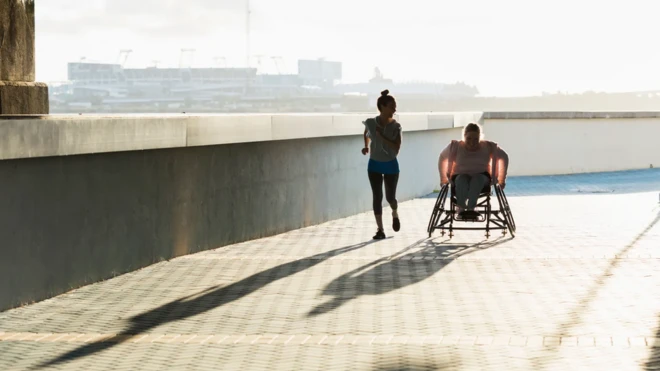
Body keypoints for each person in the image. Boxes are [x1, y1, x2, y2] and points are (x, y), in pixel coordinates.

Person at [438, 122, 509, 220]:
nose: (472, 142)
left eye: (476, 139)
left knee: (477, 179)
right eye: (469, 138)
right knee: (461, 179)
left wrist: (501, 179)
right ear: (464, 136)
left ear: (480, 137)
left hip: (482, 176)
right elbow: (442, 157)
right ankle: (461, 208)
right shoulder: (455, 146)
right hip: (460, 175)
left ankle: (472, 208)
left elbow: (504, 157)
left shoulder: (487, 147)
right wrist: (443, 179)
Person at [361, 89, 402, 239]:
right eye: (392, 106)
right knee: (377, 196)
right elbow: (366, 132)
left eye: (395, 106)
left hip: (391, 165)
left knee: (390, 198)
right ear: (382, 107)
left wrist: (382, 137)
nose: (394, 109)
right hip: (374, 165)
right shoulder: (371, 122)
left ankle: (395, 212)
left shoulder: (396, 127)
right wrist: (366, 146)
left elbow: (396, 149)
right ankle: (380, 230)